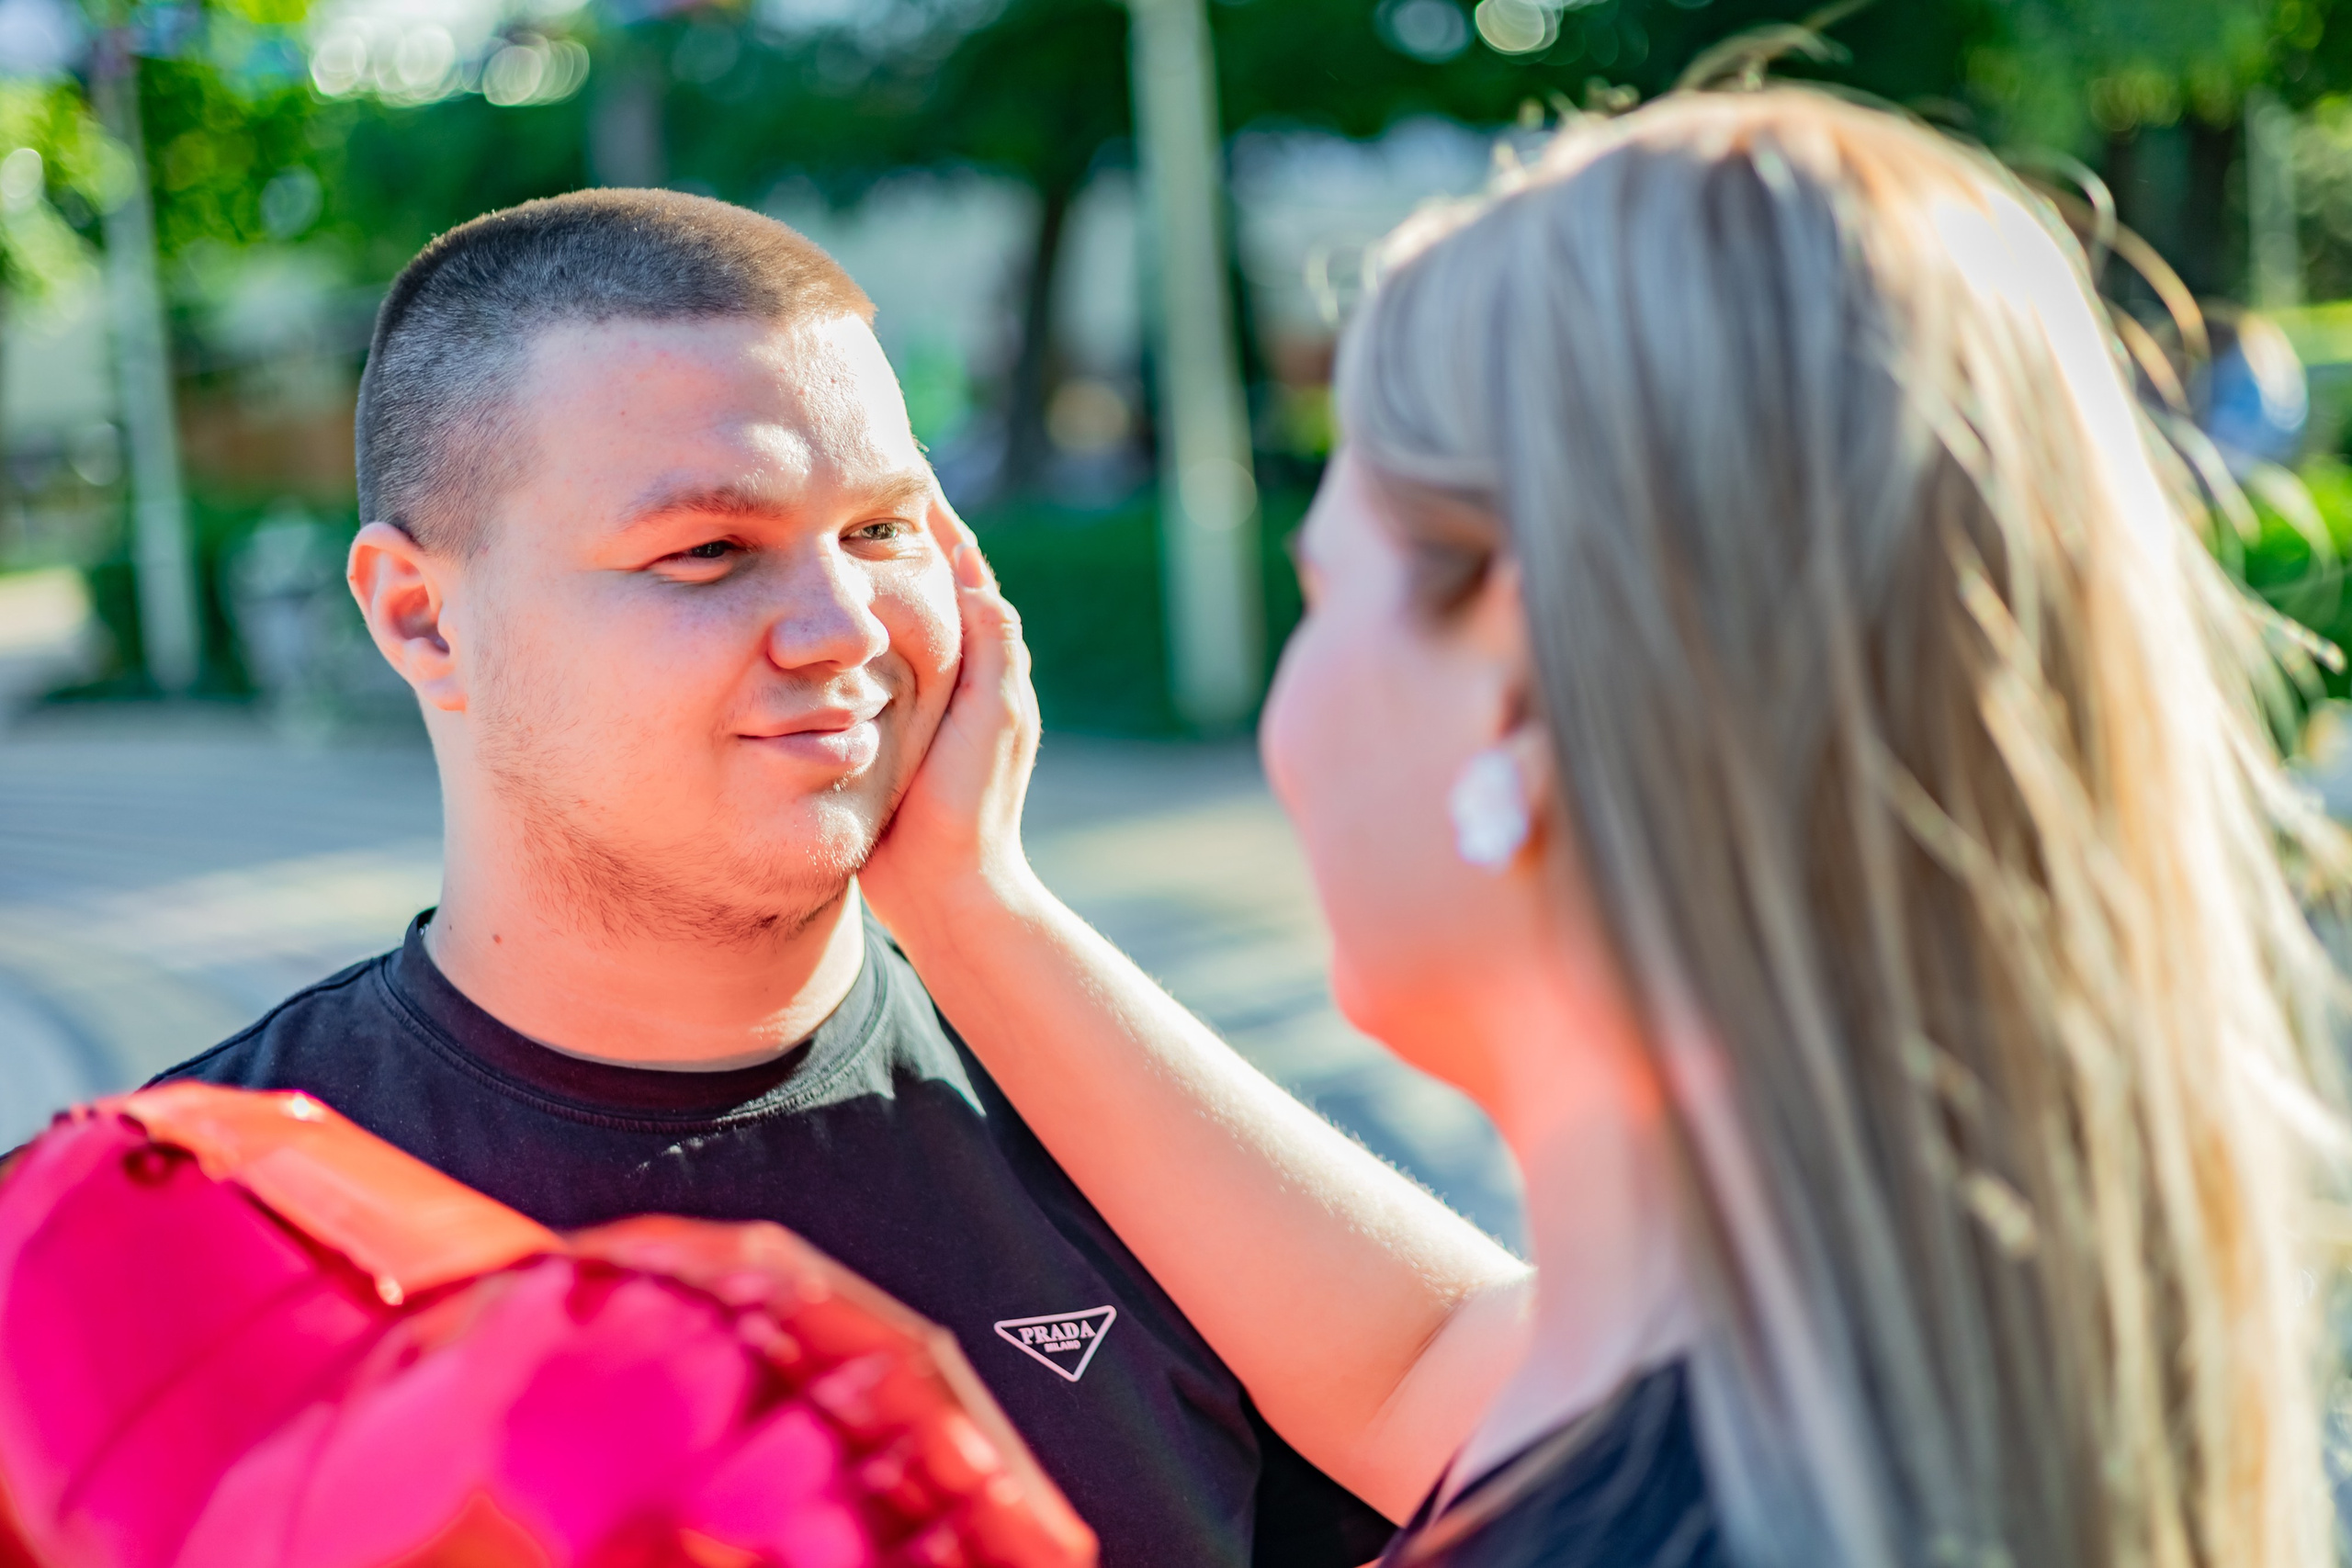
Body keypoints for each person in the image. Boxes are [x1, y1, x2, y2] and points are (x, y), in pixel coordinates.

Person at [158, 189, 1530, 1568]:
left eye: (880, 530)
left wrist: (979, 907)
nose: (839, 629)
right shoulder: (176, 1241)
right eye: (707, 551)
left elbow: (1563, 1456)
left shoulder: (1140, 1138)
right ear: (421, 617)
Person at [1239, 88, 2342, 1566]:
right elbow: (1422, 1364)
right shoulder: (1930, 1371)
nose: (1284, 720)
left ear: (1517, 667)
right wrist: (983, 907)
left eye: (1319, 593)